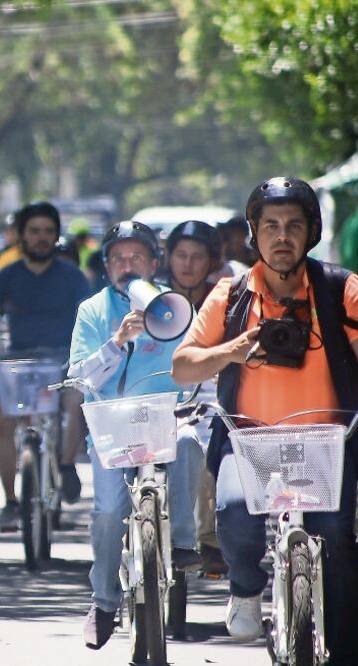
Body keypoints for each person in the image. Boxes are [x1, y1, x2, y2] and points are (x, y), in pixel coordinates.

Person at [172, 177, 358, 665]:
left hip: (323, 442)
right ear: (253, 232)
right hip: (248, 439)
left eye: (294, 226)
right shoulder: (230, 294)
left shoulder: (341, 287)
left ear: (312, 232)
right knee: (235, 511)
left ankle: (346, 651)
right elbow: (183, 365)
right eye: (271, 226)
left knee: (338, 539)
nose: (282, 237)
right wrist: (233, 349)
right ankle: (245, 588)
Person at [69, 220, 203, 649]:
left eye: (136, 258)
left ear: (153, 263)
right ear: (106, 267)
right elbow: (78, 376)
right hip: (113, 428)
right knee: (108, 513)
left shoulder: (175, 306)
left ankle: (183, 541)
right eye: (118, 259)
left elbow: (198, 364)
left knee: (187, 442)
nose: (127, 266)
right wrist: (117, 342)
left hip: (169, 417)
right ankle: (104, 600)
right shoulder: (92, 310)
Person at [0, 201, 92, 531]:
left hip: (63, 362)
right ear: (21, 236)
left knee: (76, 402)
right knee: (3, 423)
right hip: (17, 363)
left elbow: (89, 316)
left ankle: (65, 465)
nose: (41, 238)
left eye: (48, 232)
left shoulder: (72, 276)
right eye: (34, 231)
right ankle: (11, 501)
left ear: (56, 237)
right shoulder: (6, 275)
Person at [162, 220, 229, 575]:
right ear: (168, 258)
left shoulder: (225, 302)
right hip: (161, 397)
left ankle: (210, 538)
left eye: (197, 257)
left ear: (212, 261)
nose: (187, 265)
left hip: (211, 398)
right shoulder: (152, 300)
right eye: (181, 255)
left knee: (214, 451)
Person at [0, 215, 21, 280]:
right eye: (6, 231)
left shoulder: (28, 252)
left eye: (13, 231)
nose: (10, 235)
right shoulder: (0, 255)